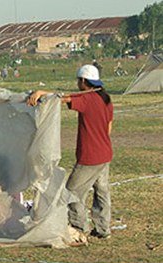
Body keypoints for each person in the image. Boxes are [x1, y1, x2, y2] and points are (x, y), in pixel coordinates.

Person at [28, 64, 113, 239]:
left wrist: (41, 93)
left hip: (90, 156)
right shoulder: (105, 98)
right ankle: (103, 228)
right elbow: (109, 127)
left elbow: (61, 98)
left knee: (71, 192)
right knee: (102, 192)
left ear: (83, 81)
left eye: (78, 80)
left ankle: (78, 227)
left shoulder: (87, 99)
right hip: (105, 152)